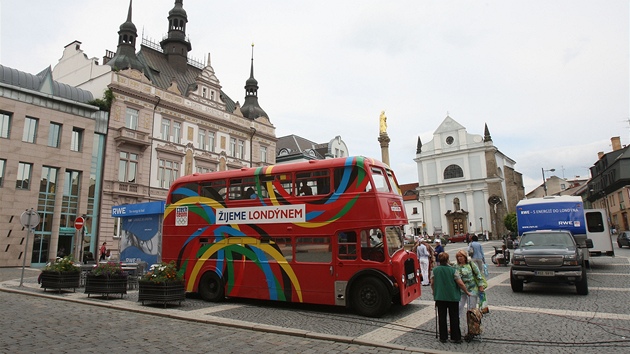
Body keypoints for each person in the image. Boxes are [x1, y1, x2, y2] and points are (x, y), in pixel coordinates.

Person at [431, 252, 470, 344]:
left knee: (442, 317)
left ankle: (443, 337)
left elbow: (432, 282)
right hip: (452, 297)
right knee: (454, 317)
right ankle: (456, 337)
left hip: (440, 297)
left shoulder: (435, 270)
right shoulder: (453, 270)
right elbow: (460, 283)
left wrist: (434, 291)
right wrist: (466, 291)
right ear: (447, 260)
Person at [454, 250, 486, 327]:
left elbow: (478, 275)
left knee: (471, 309)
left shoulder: (471, 264)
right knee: (458, 307)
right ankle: (455, 326)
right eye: (458, 257)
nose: (459, 258)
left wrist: (480, 286)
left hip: (472, 289)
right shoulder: (456, 266)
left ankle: (473, 327)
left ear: (465, 257)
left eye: (461, 256)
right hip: (461, 290)